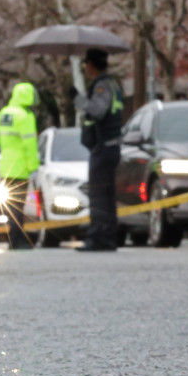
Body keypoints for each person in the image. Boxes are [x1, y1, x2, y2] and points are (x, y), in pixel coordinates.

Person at [74, 49, 125, 252]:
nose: (85, 68)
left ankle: (98, 237)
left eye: (86, 64)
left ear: (92, 65)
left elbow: (97, 110)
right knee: (106, 194)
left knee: (98, 195)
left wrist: (78, 99)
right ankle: (108, 237)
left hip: (104, 146)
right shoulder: (112, 84)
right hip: (109, 147)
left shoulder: (103, 86)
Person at [0, 82, 40, 250]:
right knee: (18, 206)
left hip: (5, 166)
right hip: (20, 167)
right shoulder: (25, 116)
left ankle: (14, 238)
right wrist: (33, 167)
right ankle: (18, 239)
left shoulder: (3, 114)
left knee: (10, 206)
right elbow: (30, 145)